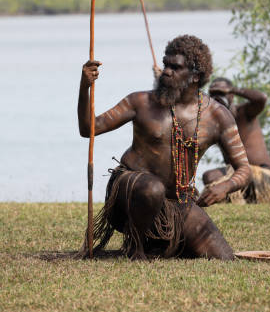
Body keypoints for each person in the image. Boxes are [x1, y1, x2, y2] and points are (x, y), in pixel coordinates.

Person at [77, 35, 251, 260]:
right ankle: (135, 248)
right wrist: (85, 87)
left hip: (175, 201)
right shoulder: (140, 102)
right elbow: (88, 128)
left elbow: (244, 170)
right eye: (166, 64)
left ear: (195, 76)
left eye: (175, 67)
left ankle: (157, 245)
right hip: (129, 195)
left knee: (223, 257)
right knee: (152, 189)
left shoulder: (218, 116)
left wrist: (224, 187)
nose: (166, 71)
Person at [203, 77, 270, 205]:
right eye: (214, 94)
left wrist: (233, 89)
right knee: (210, 177)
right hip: (236, 176)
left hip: (259, 175)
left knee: (217, 177)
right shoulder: (215, 123)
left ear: (232, 96)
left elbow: (261, 98)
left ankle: (246, 199)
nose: (217, 98)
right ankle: (240, 201)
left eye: (221, 93)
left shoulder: (244, 112)